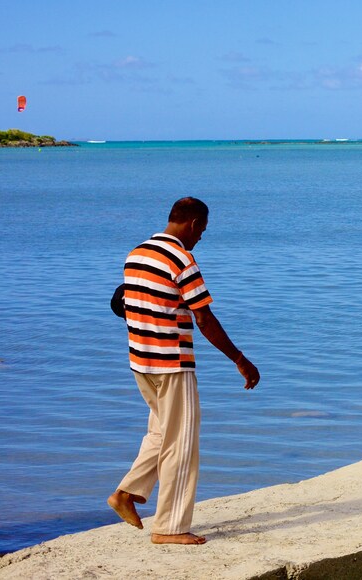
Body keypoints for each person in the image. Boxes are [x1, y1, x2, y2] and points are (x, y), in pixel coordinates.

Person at [107, 197, 260, 545]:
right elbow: (204, 318)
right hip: (171, 363)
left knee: (161, 434)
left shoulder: (136, 254)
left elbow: (124, 303)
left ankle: (126, 494)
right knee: (182, 444)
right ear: (192, 224)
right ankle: (170, 527)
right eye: (202, 231)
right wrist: (239, 359)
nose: (201, 238)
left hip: (140, 361)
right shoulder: (182, 258)